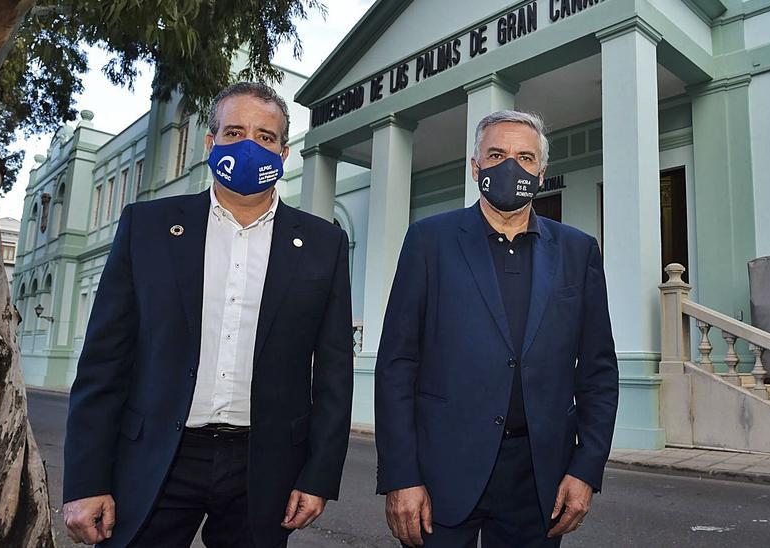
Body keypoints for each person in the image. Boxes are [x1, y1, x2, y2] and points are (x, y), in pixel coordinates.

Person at [61, 82, 354, 548]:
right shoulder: (147, 227)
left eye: (265, 137)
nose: (250, 146)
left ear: (283, 150)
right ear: (210, 142)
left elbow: (335, 370)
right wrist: (85, 481)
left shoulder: (323, 243)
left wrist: (319, 474)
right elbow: (103, 362)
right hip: (156, 457)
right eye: (235, 131)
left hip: (265, 464)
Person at [375, 110, 619, 547]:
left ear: (541, 173)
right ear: (476, 168)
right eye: (497, 154)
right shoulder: (429, 241)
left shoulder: (578, 252)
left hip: (538, 478)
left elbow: (598, 370)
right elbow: (397, 364)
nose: (512, 167)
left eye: (525, 158)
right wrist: (401, 475)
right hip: (440, 475)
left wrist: (586, 469)